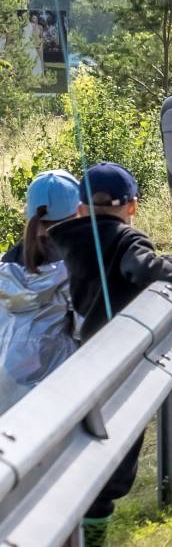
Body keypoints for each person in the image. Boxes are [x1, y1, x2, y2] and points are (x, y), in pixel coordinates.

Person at [47, 162, 172, 546]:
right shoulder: (125, 236)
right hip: (117, 361)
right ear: (131, 206)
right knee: (115, 452)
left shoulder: (61, 240)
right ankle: (96, 531)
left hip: (69, 359)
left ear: (80, 208)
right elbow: (140, 268)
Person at [0, 171, 81, 414]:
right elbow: (88, 328)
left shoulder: (7, 263)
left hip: (6, 385)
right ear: (79, 211)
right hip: (53, 389)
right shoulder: (74, 266)